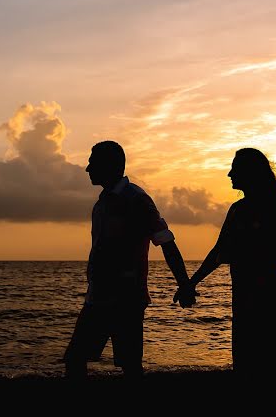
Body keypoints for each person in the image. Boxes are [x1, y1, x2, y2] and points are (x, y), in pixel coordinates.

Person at [64, 140, 196, 378]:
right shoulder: (102, 203)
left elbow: (166, 241)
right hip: (98, 296)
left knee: (128, 365)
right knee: (76, 359)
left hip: (126, 298)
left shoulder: (136, 199)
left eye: (92, 162)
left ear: (110, 165)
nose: (87, 169)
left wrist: (184, 284)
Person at [182, 148, 276, 376]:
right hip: (249, 294)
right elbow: (218, 253)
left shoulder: (271, 210)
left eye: (234, 168)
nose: (229, 174)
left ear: (249, 173)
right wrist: (191, 283)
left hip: (265, 295)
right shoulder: (241, 210)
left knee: (267, 363)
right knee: (256, 361)